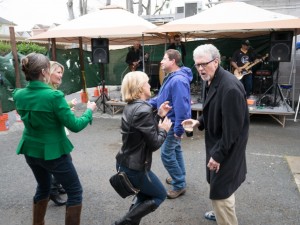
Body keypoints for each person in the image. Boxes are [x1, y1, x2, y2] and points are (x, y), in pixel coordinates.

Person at [13, 53, 97, 225]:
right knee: (75, 191)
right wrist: (89, 111)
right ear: (44, 72)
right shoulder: (53, 96)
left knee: (43, 187)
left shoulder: (18, 94)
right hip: (54, 153)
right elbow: (75, 125)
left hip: (30, 149)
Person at [182, 44, 249, 225]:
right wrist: (199, 122)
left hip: (227, 147)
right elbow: (212, 108)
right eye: (197, 65)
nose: (200, 69)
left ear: (216, 61)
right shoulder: (210, 79)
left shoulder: (230, 88)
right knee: (219, 185)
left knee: (221, 192)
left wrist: (218, 155)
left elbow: (232, 130)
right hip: (218, 145)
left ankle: (225, 218)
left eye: (204, 64)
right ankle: (219, 213)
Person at [112, 71, 172, 225]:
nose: (150, 85)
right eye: (147, 82)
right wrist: (164, 129)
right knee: (159, 195)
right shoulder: (143, 110)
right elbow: (154, 143)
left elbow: (143, 133)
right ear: (139, 88)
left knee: (144, 195)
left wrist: (158, 115)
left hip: (126, 162)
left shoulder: (132, 106)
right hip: (135, 168)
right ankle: (121, 223)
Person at [148, 49, 193, 199]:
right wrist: (145, 103)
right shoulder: (172, 77)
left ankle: (179, 184)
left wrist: (179, 129)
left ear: (173, 61)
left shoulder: (178, 80)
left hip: (172, 123)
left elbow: (182, 107)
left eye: (164, 58)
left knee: (167, 154)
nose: (161, 61)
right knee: (175, 151)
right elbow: (162, 98)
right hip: (170, 121)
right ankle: (179, 177)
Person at [47, 61, 77, 206]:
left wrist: (67, 107)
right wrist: (89, 112)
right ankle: (52, 189)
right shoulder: (51, 92)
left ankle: (55, 186)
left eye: (61, 73)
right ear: (48, 72)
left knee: (58, 161)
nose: (60, 76)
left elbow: (57, 110)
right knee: (64, 161)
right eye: (58, 72)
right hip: (52, 136)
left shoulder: (52, 89)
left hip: (53, 134)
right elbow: (74, 125)